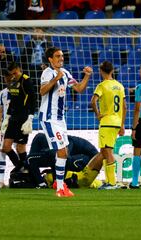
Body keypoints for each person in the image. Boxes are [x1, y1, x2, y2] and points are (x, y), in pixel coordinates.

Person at [39, 46, 92, 197]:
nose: (61, 58)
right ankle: (60, 188)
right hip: (49, 118)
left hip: (60, 119)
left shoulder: (66, 73)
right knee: (62, 152)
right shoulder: (47, 73)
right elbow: (42, 91)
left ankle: (58, 182)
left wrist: (87, 76)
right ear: (50, 59)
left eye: (62, 56)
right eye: (57, 56)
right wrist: (55, 78)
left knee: (64, 152)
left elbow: (79, 88)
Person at [91, 61, 126, 189]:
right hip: (117, 121)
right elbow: (124, 106)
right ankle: (109, 180)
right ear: (112, 71)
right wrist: (122, 125)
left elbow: (93, 101)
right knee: (105, 151)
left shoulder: (102, 86)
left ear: (101, 71)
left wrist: (98, 114)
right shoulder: (120, 86)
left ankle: (112, 182)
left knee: (107, 151)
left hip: (107, 122)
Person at [1, 62, 36, 183]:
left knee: (21, 146)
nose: (13, 76)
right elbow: (13, 100)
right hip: (13, 118)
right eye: (11, 74)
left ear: (18, 70)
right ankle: (21, 167)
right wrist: (7, 117)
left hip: (23, 118)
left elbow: (33, 99)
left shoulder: (26, 81)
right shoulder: (12, 82)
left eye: (14, 73)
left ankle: (27, 171)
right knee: (6, 146)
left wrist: (30, 117)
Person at [26, 133, 100, 188]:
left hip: (88, 159)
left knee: (63, 159)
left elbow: (65, 159)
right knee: (56, 159)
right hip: (84, 165)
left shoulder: (66, 142)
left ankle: (60, 182)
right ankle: (58, 182)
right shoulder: (45, 141)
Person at [0, 75, 11, 188]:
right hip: (5, 127)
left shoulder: (20, 91)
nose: (9, 79)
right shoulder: (1, 94)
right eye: (7, 78)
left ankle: (24, 175)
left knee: (21, 151)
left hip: (19, 125)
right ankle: (1, 180)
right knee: (2, 152)